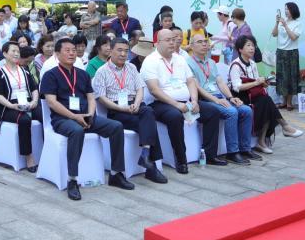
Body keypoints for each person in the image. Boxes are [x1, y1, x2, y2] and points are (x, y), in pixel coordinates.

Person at [39, 37, 132, 200]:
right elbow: (52, 103)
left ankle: (116, 173)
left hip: (86, 116)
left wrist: (89, 114)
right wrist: (74, 116)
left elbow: (91, 97)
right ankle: (72, 180)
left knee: (116, 127)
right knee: (76, 131)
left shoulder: (82, 74)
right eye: (67, 50)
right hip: (63, 119)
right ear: (57, 54)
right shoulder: (50, 75)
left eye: (74, 50)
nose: (72, 53)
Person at [140, 29, 225, 171]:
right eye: (168, 40)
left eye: (173, 39)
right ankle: (181, 160)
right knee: (174, 116)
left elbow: (191, 81)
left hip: (185, 101)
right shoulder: (150, 61)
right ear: (157, 43)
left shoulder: (179, 59)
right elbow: (154, 90)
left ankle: (209, 155)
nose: (172, 43)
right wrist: (176, 104)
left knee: (212, 111)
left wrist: (195, 100)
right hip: (160, 103)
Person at [92, 39, 167, 183]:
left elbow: (140, 88)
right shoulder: (102, 71)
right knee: (148, 121)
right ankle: (150, 166)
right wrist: (121, 108)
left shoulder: (131, 67)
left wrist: (137, 102)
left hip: (134, 104)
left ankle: (146, 156)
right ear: (111, 51)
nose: (123, 54)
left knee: (147, 112)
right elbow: (101, 98)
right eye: (119, 50)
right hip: (116, 109)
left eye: (126, 51)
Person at [186, 33, 258, 164]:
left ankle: (245, 149)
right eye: (200, 42)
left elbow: (220, 82)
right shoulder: (188, 63)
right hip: (204, 99)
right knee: (231, 112)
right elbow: (197, 87)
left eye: (206, 42)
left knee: (246, 110)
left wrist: (231, 97)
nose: (204, 44)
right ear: (191, 46)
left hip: (219, 97)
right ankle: (232, 152)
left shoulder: (211, 62)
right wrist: (216, 100)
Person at [0, 41, 41, 172]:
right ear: (5, 53)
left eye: (18, 51)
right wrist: (12, 106)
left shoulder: (25, 71)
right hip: (8, 106)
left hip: (28, 103)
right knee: (24, 120)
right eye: (13, 51)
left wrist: (34, 101)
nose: (16, 53)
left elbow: (35, 89)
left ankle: (46, 151)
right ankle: (28, 156)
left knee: (44, 115)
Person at [229, 35, 284, 154]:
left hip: (252, 94)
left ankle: (263, 140)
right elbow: (237, 87)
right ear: (240, 49)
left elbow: (255, 83)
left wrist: (263, 83)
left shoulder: (253, 63)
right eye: (248, 45)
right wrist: (256, 82)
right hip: (241, 96)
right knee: (266, 101)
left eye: (253, 45)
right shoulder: (235, 65)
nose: (252, 48)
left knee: (266, 101)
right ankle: (281, 127)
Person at [272, 2, 303, 110]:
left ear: (293, 10)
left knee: (291, 77)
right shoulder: (281, 21)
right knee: (281, 77)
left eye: (288, 9)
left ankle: (289, 102)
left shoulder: (297, 23)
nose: (286, 11)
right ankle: (283, 101)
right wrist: (277, 23)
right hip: (281, 51)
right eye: (285, 9)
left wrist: (285, 25)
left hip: (292, 52)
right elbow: (274, 34)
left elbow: (293, 37)